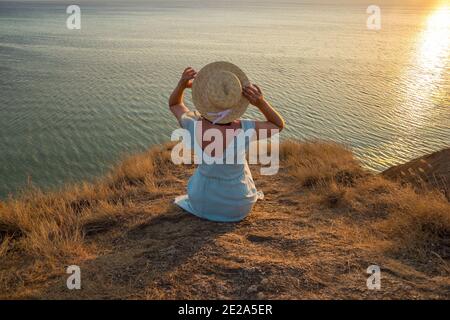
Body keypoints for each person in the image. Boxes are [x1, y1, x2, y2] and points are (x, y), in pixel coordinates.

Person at [168, 61, 285, 222]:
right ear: (237, 101)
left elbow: (175, 104)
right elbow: (278, 125)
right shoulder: (246, 129)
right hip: (238, 204)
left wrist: (182, 85)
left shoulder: (192, 124)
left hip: (203, 202)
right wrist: (261, 103)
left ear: (205, 99)